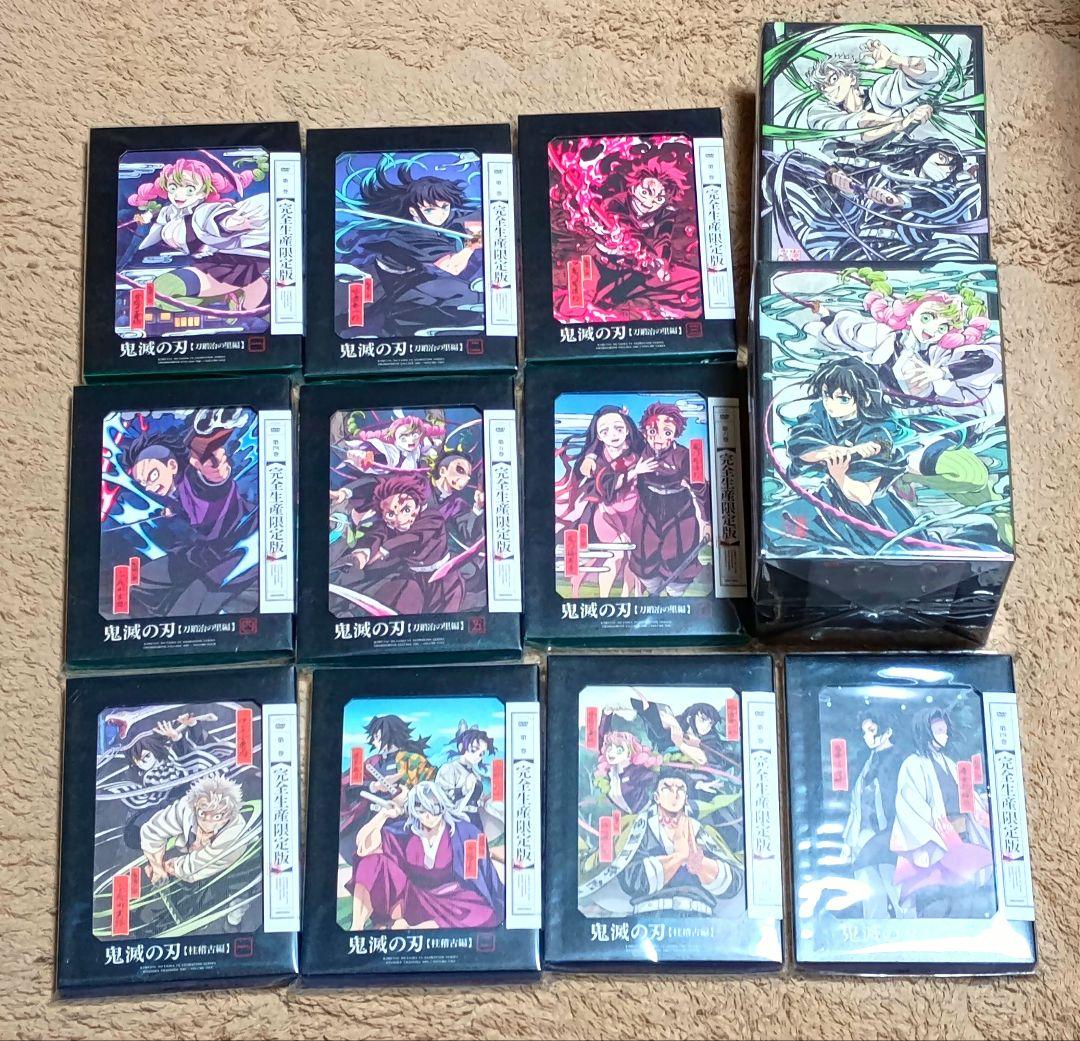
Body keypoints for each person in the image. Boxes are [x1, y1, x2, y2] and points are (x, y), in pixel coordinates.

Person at [338, 157, 483, 336]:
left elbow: (473, 216)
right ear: (414, 211)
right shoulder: (408, 235)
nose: (440, 215)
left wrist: (478, 226)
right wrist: (471, 246)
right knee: (464, 295)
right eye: (430, 210)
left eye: (445, 207)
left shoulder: (443, 217)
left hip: (423, 282)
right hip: (399, 290)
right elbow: (451, 267)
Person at [786, 358, 917, 552]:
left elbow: (863, 496)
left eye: (843, 399)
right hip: (826, 501)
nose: (831, 404)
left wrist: (839, 476)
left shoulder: (877, 433)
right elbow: (801, 447)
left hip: (869, 515)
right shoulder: (821, 412)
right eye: (826, 394)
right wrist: (837, 451)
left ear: (864, 399)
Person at [125, 156, 270, 325]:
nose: (179, 194)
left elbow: (217, 218)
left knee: (164, 289)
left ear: (203, 192)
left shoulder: (204, 212)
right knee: (158, 294)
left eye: (189, 189)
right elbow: (161, 216)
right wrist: (146, 217)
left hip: (234, 264)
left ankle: (238, 294)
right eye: (173, 187)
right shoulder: (172, 211)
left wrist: (230, 223)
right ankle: (227, 296)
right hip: (211, 264)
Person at [579, 768, 741, 917]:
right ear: (656, 797)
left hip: (699, 918)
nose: (674, 794)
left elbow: (733, 883)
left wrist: (700, 863)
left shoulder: (701, 832)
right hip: (650, 917)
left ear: (686, 798)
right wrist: (678, 857)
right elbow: (633, 880)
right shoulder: (641, 828)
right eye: (667, 788)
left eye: (680, 789)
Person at [348, 781, 503, 931]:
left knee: (482, 912)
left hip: (453, 900)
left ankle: (412, 927)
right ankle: (356, 927)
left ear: (442, 806)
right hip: (415, 899)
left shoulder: (464, 832)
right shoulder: (406, 832)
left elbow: (480, 875)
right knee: (371, 862)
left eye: (434, 808)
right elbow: (363, 848)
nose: (429, 816)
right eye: (422, 811)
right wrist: (383, 815)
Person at [890, 707, 994, 917]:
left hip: (961, 838)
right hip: (934, 845)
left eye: (945, 731)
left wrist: (983, 805)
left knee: (965, 900)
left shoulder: (951, 764)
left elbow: (970, 798)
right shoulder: (913, 765)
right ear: (926, 732)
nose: (944, 735)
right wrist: (931, 838)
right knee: (935, 903)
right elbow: (909, 807)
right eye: (939, 731)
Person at [137, 773, 254, 934]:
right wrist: (156, 865)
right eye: (202, 814)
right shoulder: (187, 807)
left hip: (232, 866)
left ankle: (233, 923)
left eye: (217, 816)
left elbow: (196, 867)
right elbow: (152, 830)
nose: (207, 821)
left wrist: (167, 867)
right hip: (190, 861)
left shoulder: (235, 833)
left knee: (237, 900)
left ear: (228, 814)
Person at [628, 403, 711, 596]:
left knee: (679, 556)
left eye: (666, 433)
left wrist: (707, 521)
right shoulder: (639, 449)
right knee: (643, 557)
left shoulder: (686, 455)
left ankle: (674, 596)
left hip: (679, 509)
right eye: (652, 431)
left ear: (675, 434)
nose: (658, 439)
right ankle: (654, 594)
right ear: (645, 432)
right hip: (648, 507)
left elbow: (701, 488)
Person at [841, 710, 904, 918]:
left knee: (898, 892)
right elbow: (856, 804)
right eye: (864, 732)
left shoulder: (900, 760)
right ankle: (875, 932)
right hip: (864, 836)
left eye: (872, 730)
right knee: (870, 895)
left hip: (891, 837)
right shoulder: (866, 762)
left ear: (888, 732)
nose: (867, 736)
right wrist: (849, 842)